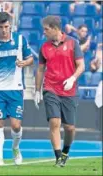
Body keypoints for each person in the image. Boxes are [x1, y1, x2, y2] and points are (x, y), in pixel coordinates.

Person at [0, 12, 34, 166]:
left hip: (16, 89)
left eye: (6, 27)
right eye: (1, 27)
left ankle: (15, 148)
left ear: (10, 25)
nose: (4, 30)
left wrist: (24, 63)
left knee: (15, 125)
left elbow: (30, 58)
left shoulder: (19, 39)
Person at [35, 16, 85, 167]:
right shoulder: (44, 47)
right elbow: (40, 70)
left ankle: (65, 152)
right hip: (50, 88)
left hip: (69, 90)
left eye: (46, 29)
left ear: (55, 29)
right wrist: (37, 90)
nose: (44, 32)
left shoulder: (73, 43)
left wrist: (72, 78)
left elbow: (81, 66)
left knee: (69, 128)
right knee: (54, 122)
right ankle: (58, 158)